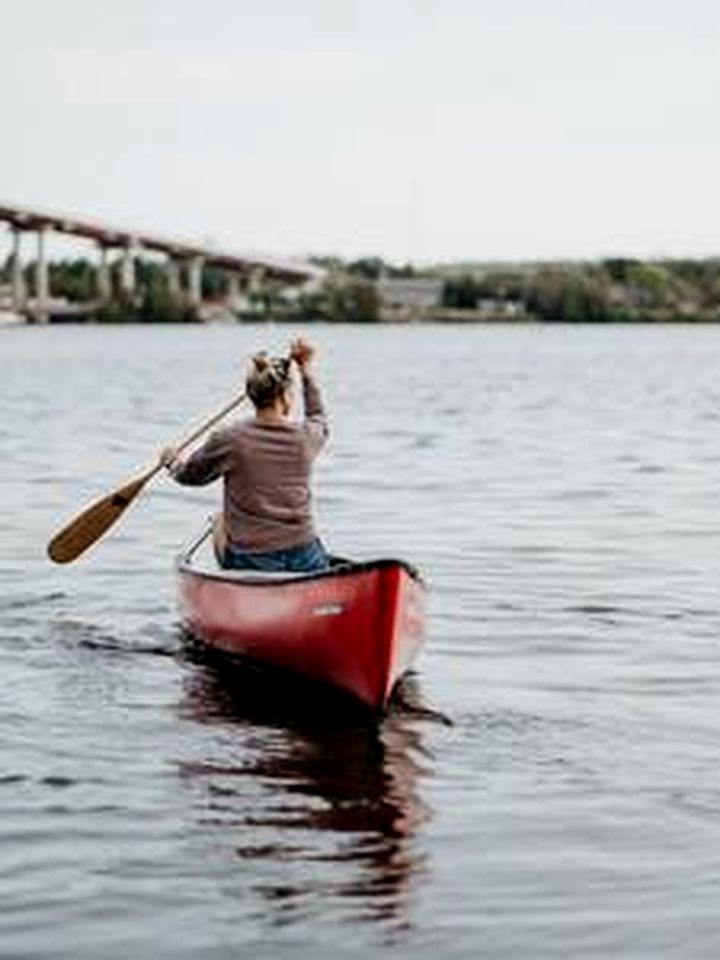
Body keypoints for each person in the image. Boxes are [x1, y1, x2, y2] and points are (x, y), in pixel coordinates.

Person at [160, 338, 330, 572]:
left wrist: (172, 463)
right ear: (286, 396)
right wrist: (306, 370)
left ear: (251, 396)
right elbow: (318, 417)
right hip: (305, 554)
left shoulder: (229, 439)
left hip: (253, 559)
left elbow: (191, 476)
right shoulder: (306, 437)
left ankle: (236, 584)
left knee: (219, 521)